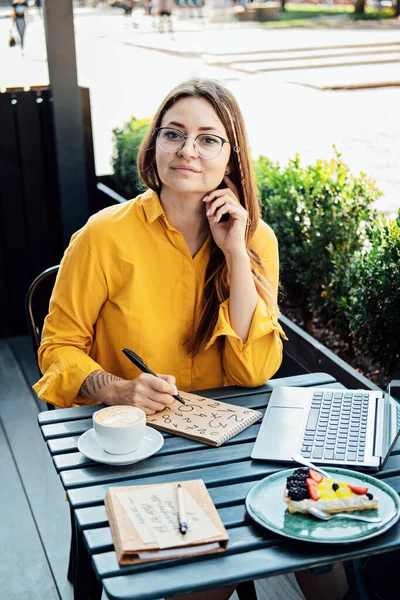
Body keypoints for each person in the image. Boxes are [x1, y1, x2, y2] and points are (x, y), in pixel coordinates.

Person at [34, 78, 286, 418]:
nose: (187, 150)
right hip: (129, 434)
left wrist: (236, 254)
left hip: (225, 432)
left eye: (208, 139)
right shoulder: (103, 235)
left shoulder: (256, 240)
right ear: (155, 144)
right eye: (173, 134)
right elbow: (58, 348)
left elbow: (254, 371)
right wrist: (116, 389)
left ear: (230, 161)